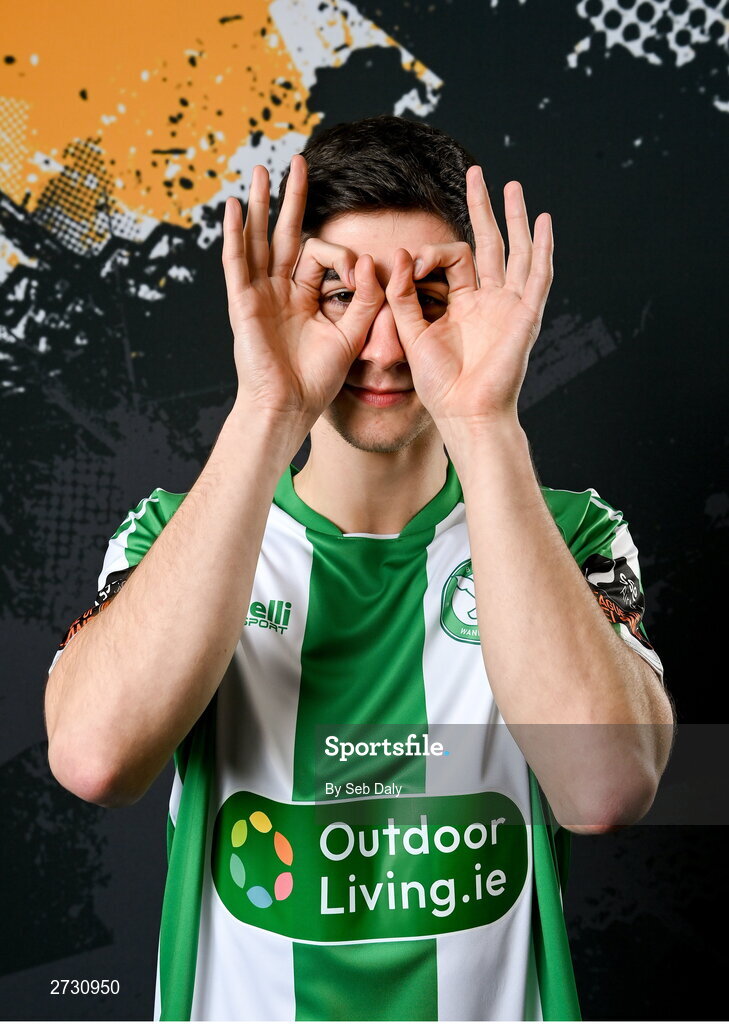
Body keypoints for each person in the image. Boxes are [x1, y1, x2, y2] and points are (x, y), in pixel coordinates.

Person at [44, 115, 675, 1022]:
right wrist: (267, 406)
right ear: (281, 296)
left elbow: (604, 789)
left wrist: (484, 420)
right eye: (337, 293)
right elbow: (96, 761)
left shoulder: (573, 535)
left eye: (428, 296)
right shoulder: (173, 537)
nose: (382, 347)